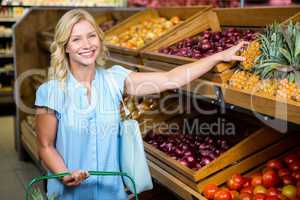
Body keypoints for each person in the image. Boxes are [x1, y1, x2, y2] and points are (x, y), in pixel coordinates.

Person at [35, 9, 247, 200]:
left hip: (112, 193)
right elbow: (45, 145)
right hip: (70, 194)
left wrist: (219, 55)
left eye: (91, 36)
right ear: (65, 47)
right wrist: (64, 174)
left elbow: (170, 78)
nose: (87, 45)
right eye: (76, 39)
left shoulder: (115, 79)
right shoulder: (51, 92)